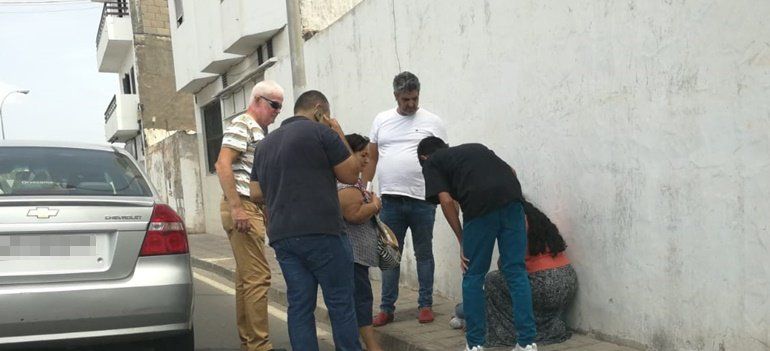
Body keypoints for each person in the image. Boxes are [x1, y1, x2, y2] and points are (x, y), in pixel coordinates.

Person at [250, 90, 362, 351]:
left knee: (300, 306)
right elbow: (351, 174)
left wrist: (284, 184)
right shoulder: (322, 133)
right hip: (323, 232)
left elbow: (255, 192)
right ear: (319, 110)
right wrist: (338, 132)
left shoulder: (265, 144)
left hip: (284, 237)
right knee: (340, 304)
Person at [417, 136, 537, 351]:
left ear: (423, 157)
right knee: (516, 272)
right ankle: (527, 343)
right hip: (513, 202)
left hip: (479, 211)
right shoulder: (476, 148)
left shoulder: (431, 162)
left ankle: (475, 344)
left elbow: (445, 201)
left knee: (473, 276)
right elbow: (511, 171)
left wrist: (462, 238)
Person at [363, 71, 447, 326]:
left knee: (424, 253)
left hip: (423, 200)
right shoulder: (382, 120)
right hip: (390, 201)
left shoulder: (433, 121)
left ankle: (425, 305)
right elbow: (372, 156)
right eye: (405, 99)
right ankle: (387, 308)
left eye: (414, 98)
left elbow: (442, 160)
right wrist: (366, 187)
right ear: (395, 96)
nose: (410, 104)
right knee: (389, 254)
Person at [214, 80, 285, 351]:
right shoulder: (243, 124)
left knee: (246, 279)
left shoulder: (258, 131)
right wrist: (237, 207)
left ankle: (250, 342)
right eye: (274, 105)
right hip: (242, 206)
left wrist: (263, 207)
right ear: (257, 101)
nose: (277, 111)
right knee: (258, 277)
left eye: (280, 106)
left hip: (250, 206)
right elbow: (222, 164)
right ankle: (259, 345)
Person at [449, 200, 578, 346]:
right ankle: (462, 314)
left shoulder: (514, 220)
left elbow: (506, 266)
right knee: (509, 287)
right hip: (568, 280)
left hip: (543, 284)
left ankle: (462, 314)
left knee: (492, 280)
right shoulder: (535, 217)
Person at [336, 133, 384, 351]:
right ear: (350, 155)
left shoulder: (354, 182)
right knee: (361, 301)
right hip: (351, 255)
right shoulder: (345, 186)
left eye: (368, 155)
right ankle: (371, 347)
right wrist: (374, 205)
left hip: (357, 256)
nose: (367, 160)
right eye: (362, 155)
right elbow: (354, 215)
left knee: (358, 300)